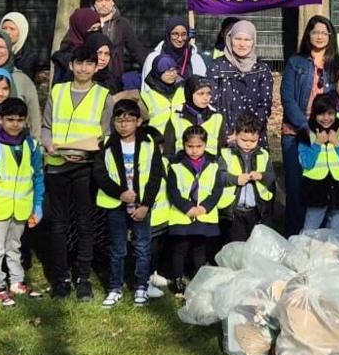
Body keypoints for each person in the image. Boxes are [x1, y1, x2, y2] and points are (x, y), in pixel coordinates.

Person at [41, 45, 112, 301]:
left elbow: (105, 135)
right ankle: (61, 278)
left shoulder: (104, 96)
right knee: (58, 225)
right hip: (57, 166)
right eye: (79, 63)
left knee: (85, 224)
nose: (83, 68)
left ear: (96, 67)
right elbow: (47, 126)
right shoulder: (57, 91)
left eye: (89, 63)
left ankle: (83, 278)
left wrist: (78, 149)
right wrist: (50, 145)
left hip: (85, 168)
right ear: (71, 65)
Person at [97, 98, 163, 305]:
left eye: (129, 120)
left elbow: (155, 175)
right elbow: (99, 174)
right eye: (119, 120)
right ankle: (115, 287)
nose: (123, 124)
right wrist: (120, 193)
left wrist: (146, 205)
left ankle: (141, 286)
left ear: (139, 121)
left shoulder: (148, 144)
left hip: (142, 206)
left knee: (142, 246)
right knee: (117, 248)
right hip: (116, 205)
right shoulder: (107, 144)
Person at [0, 97, 44, 306]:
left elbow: (38, 177)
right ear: (0, 119)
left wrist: (38, 205)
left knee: (15, 246)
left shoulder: (32, 145)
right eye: (10, 119)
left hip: (22, 209)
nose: (15, 124)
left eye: (19, 120)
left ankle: (16, 282)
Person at [279, 15, 335, 233]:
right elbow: (288, 98)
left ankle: (317, 239)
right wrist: (306, 127)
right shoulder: (296, 62)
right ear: (308, 35)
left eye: (324, 32)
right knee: (295, 189)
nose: (320, 36)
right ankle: (293, 237)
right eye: (315, 32)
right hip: (295, 133)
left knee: (320, 190)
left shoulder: (335, 64)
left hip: (325, 135)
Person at [163, 124, 224, 292]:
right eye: (190, 146)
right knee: (180, 248)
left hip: (204, 214)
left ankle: (198, 280)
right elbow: (173, 190)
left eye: (199, 146)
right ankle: (177, 280)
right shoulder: (176, 164)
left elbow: (217, 189)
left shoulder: (213, 164)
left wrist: (205, 207)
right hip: (183, 214)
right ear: (183, 145)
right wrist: (187, 207)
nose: (194, 150)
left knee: (199, 248)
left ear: (205, 145)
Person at [207, 19, 273, 152]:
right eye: (238, 39)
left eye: (247, 40)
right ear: (230, 39)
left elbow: (264, 105)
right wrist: (228, 134)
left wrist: (245, 134)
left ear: (254, 41)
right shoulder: (217, 67)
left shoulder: (262, 69)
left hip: (253, 137)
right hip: (225, 136)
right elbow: (211, 103)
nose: (242, 44)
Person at [298, 95, 339, 233]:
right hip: (315, 188)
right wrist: (317, 144)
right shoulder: (306, 132)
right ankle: (304, 253)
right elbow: (306, 163)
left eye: (330, 113)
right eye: (321, 113)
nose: (326, 118)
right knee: (311, 227)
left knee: (336, 229)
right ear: (314, 114)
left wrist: (337, 144)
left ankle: (331, 253)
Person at [218, 113, 272, 242]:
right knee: (236, 244)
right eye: (244, 140)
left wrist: (261, 176)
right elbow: (220, 177)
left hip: (255, 210)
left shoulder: (263, 154)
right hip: (233, 210)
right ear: (236, 135)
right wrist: (236, 179)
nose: (248, 144)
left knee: (253, 243)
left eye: (253, 141)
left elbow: (271, 177)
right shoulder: (226, 154)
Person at [90, 0, 145, 89]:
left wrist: (149, 68)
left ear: (113, 2)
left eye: (107, 0)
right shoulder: (86, 21)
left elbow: (136, 50)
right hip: (90, 76)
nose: (104, 4)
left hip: (114, 77)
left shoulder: (122, 24)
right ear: (94, 3)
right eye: (100, 0)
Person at [165, 75, 224, 155]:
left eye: (208, 93)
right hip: (182, 166)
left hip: (210, 166)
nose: (205, 98)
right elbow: (168, 151)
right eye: (200, 94)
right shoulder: (176, 116)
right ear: (189, 93)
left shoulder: (217, 117)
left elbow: (221, 151)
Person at [141, 17, 206, 83]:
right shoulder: (153, 58)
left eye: (183, 34)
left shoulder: (194, 58)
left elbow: (201, 87)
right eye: (175, 34)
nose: (180, 39)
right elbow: (147, 88)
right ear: (168, 34)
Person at [140, 54, 185, 133]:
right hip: (156, 138)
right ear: (157, 72)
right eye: (167, 71)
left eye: (174, 70)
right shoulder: (147, 94)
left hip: (180, 138)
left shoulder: (183, 89)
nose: (172, 74)